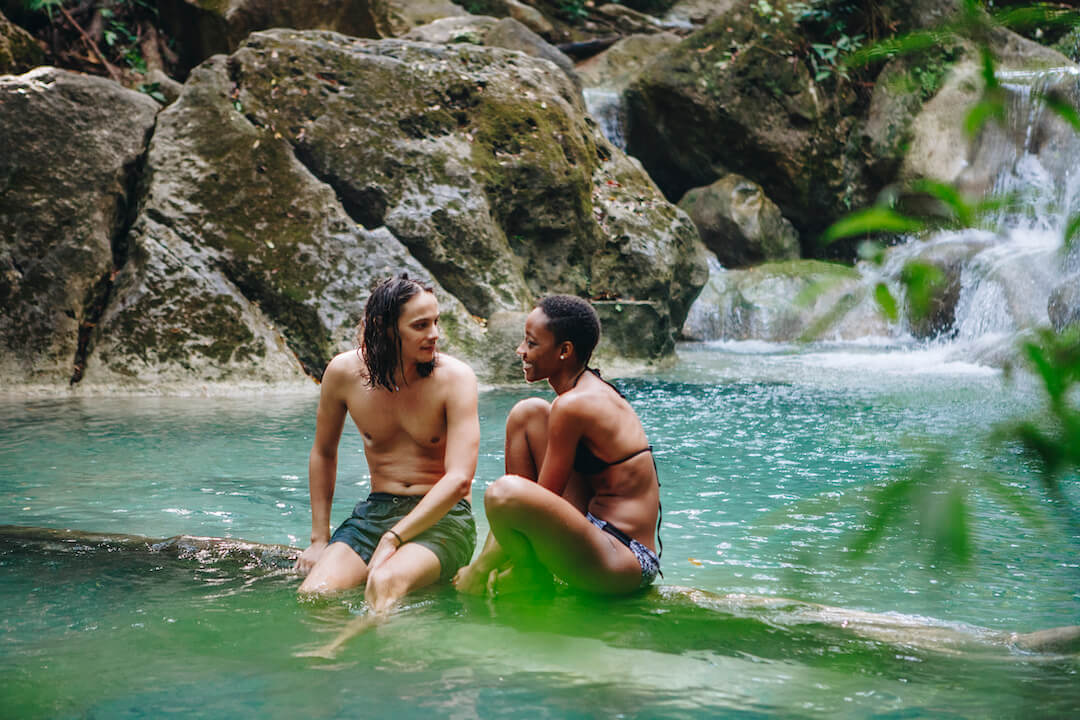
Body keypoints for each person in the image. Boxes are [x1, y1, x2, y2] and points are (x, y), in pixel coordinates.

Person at [295, 275, 479, 614]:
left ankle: (388, 663)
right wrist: (319, 539)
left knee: (386, 583)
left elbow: (459, 480)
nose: (435, 334)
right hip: (377, 512)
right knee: (315, 596)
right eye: (421, 325)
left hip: (443, 518)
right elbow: (323, 452)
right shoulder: (344, 372)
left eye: (436, 322)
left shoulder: (456, 378)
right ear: (385, 327)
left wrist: (393, 538)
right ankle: (332, 663)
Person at [453, 295, 661, 595]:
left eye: (531, 343)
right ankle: (527, 570)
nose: (520, 351)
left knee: (503, 492)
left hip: (625, 557)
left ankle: (527, 573)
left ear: (564, 351)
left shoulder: (574, 405)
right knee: (528, 414)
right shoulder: (581, 390)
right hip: (594, 532)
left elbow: (533, 501)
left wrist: (479, 568)